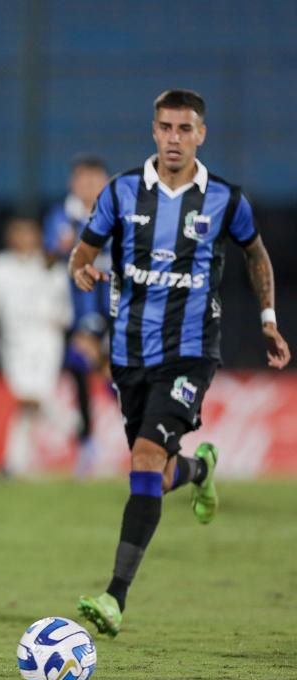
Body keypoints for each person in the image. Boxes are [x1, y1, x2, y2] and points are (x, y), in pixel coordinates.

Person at [69, 89, 291, 637]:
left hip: (191, 353)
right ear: (153, 131)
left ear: (201, 134)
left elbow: (255, 252)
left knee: (143, 462)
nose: (174, 138)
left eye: (184, 129)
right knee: (157, 470)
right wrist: (82, 269)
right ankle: (198, 469)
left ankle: (115, 596)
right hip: (129, 356)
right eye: (165, 127)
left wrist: (267, 316)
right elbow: (84, 251)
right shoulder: (121, 193)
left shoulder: (224, 200)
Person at [0, 217, 72, 477]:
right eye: (18, 234)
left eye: (28, 234)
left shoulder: (50, 266)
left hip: (45, 341)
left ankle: (13, 464)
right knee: (29, 401)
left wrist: (61, 321)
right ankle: (76, 427)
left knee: (28, 399)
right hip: (13, 344)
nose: (23, 239)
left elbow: (65, 307)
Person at [43, 156, 112, 477]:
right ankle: (87, 443)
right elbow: (50, 254)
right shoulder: (63, 216)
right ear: (73, 184)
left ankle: (136, 431)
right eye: (82, 180)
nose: (88, 186)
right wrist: (59, 248)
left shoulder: (120, 215)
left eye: (94, 180)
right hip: (74, 312)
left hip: (119, 308)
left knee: (102, 370)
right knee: (78, 367)